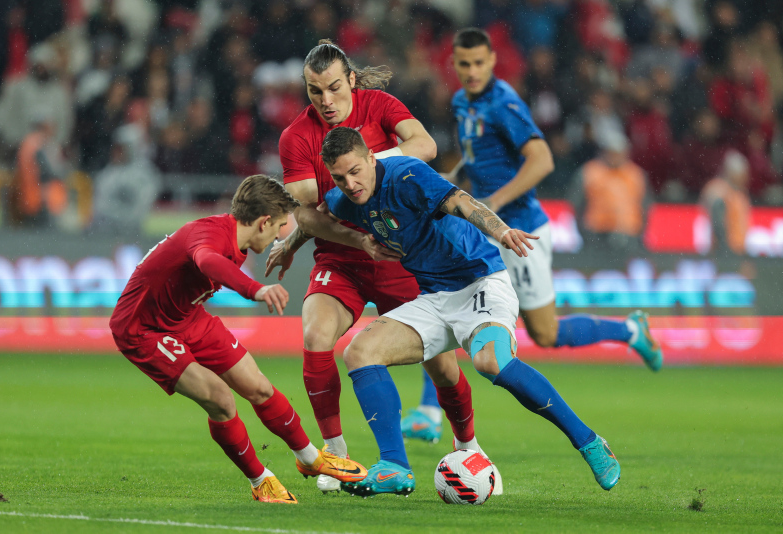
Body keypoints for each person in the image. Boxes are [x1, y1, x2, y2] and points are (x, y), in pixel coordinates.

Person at [320, 127, 620, 496]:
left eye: (355, 171)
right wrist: (291, 243)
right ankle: (395, 466)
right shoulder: (344, 199)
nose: (350, 184)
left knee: (489, 361)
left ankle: (589, 442)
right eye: (339, 177)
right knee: (359, 352)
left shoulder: (407, 175)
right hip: (433, 297)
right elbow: (312, 216)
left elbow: (462, 202)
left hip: (480, 281)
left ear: (370, 158)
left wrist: (501, 229)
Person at [267, 40, 482, 493]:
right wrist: (356, 240)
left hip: (398, 256)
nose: (325, 101)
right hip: (343, 256)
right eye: (313, 92)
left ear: (352, 80)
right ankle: (337, 456)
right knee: (314, 335)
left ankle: (471, 446)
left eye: (333, 88)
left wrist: (368, 163)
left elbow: (425, 144)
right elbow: (309, 213)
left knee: (443, 369)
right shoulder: (295, 137)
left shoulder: (379, 105)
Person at [109, 175, 368, 504]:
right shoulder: (210, 236)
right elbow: (206, 260)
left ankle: (309, 457)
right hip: (144, 328)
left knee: (258, 386)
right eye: (278, 228)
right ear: (263, 223)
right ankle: (260, 480)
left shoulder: (236, 238)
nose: (279, 235)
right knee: (220, 399)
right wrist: (255, 289)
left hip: (187, 315)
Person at [450, 28, 661, 370]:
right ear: (454, 65)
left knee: (545, 333)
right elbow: (478, 155)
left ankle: (629, 330)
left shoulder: (503, 103)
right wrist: (453, 180)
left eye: (478, 62)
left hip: (521, 230)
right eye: (464, 64)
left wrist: (497, 201)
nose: (472, 71)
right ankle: (430, 409)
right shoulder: (462, 102)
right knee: (451, 301)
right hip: (485, 229)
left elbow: (542, 159)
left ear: (491, 60)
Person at [701, 150, 751, 256]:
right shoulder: (719, 190)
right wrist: (724, 249)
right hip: (726, 252)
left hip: (738, 251)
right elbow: (717, 222)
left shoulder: (739, 196)